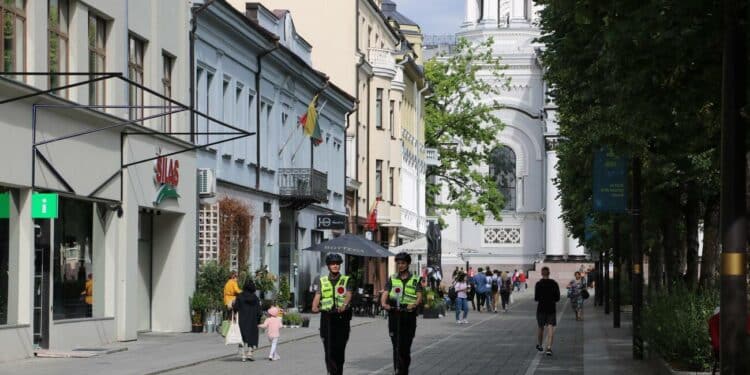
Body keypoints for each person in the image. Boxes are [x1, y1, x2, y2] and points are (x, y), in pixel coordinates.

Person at [381, 252, 423, 375]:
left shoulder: (415, 279)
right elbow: (386, 292)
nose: (400, 265)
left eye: (403, 263)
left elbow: (419, 296)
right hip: (394, 314)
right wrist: (384, 303)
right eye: (398, 263)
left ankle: (404, 370)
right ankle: (397, 371)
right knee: (396, 346)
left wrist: (414, 304)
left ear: (408, 264)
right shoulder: (392, 278)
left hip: (408, 315)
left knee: (405, 347)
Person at [311, 253, 353, 375]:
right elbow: (318, 295)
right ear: (328, 266)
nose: (335, 266)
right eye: (332, 264)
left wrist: (344, 305)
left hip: (341, 318)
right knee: (328, 350)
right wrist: (314, 306)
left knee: (339, 350)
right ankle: (331, 372)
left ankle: (338, 372)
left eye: (337, 264)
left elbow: (349, 294)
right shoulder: (322, 281)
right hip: (327, 318)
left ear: (340, 265)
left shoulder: (346, 280)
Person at [232, 280, 261, 361]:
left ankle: (243, 355)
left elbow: (235, 307)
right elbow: (259, 311)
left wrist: (233, 308)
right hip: (252, 320)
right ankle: (250, 353)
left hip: (242, 320)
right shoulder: (255, 298)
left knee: (241, 337)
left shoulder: (240, 296)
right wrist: (258, 320)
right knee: (251, 336)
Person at [535, 267, 560, 356]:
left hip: (541, 308)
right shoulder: (554, 283)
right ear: (549, 273)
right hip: (551, 308)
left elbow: (536, 298)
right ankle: (549, 348)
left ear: (542, 273)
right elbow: (558, 298)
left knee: (540, 327)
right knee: (550, 328)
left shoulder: (538, 284)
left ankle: (540, 345)